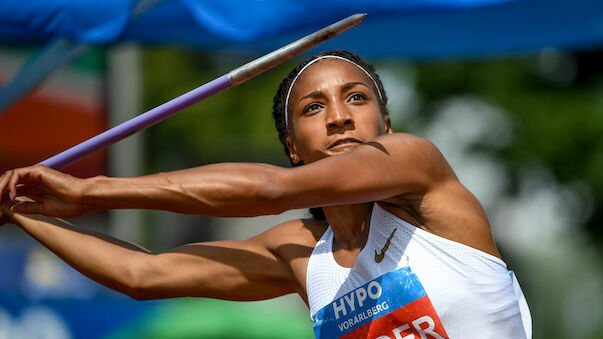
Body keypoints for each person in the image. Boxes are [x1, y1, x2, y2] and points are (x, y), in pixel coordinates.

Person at [0, 50, 530, 338]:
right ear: (293, 146)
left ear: (386, 125)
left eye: (356, 98)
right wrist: (25, 213)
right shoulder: (302, 257)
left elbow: (270, 189)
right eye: (314, 108)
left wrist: (90, 191)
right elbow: (145, 275)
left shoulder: (420, 170)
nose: (341, 116)